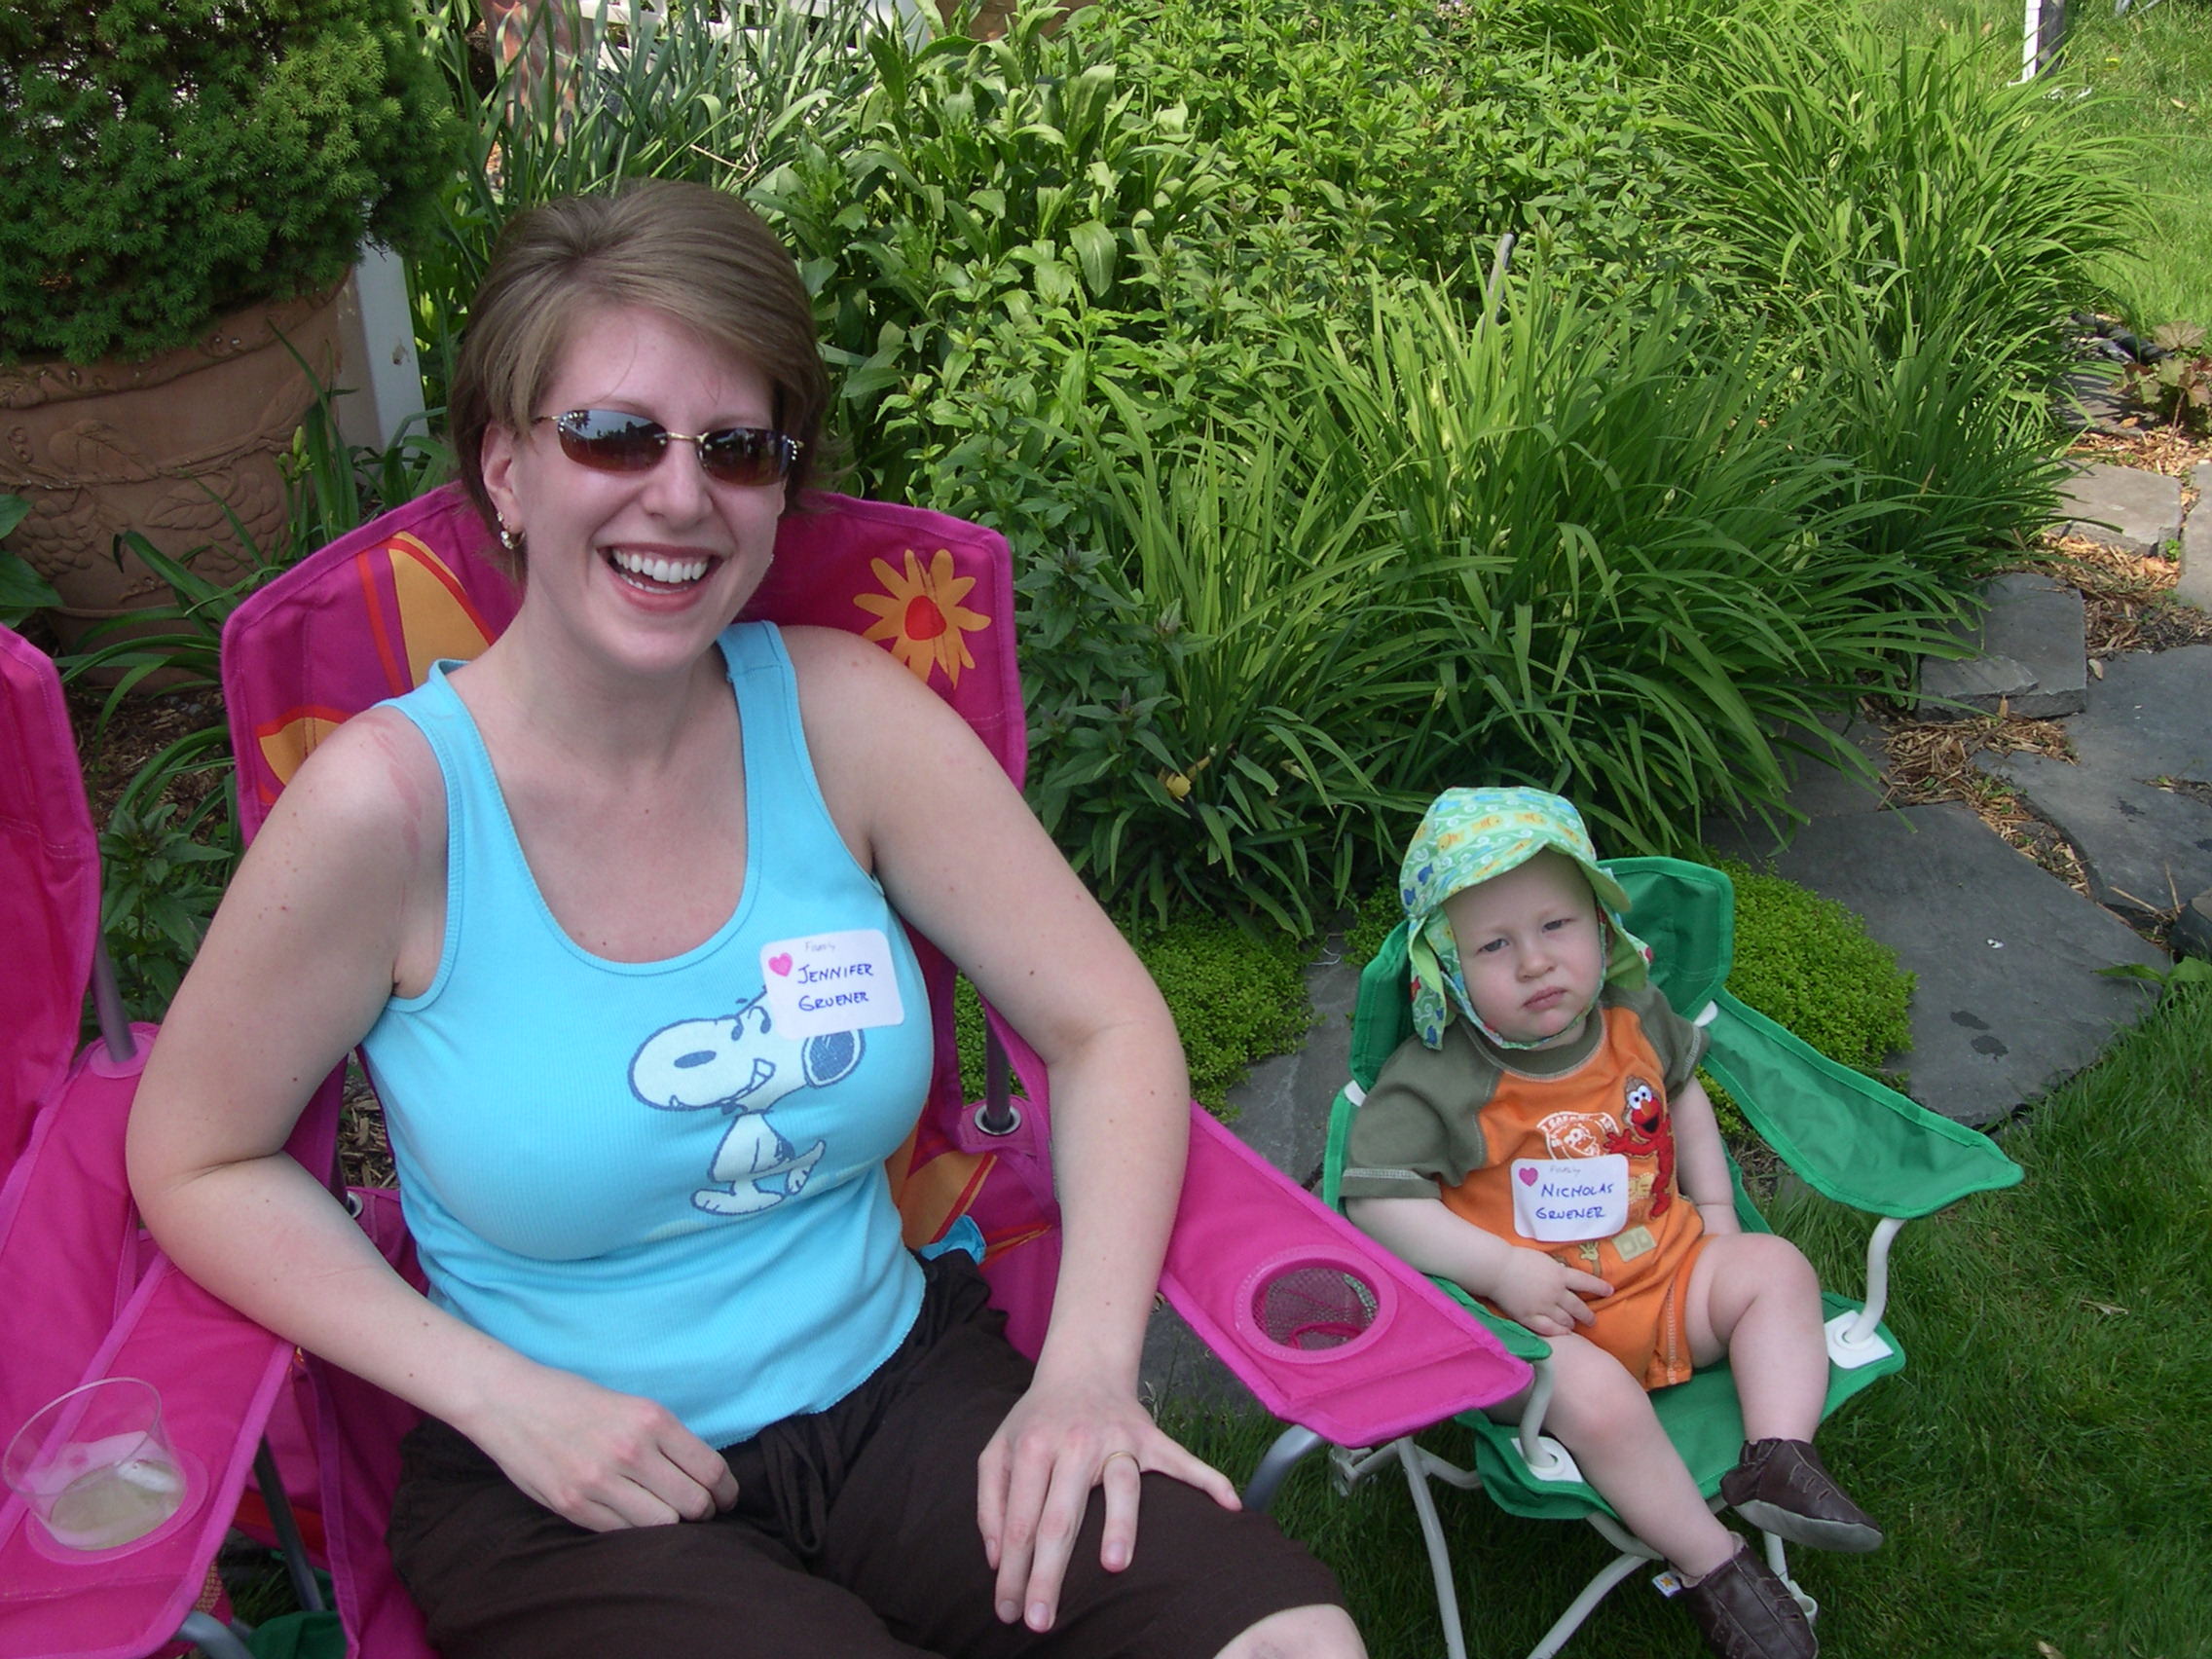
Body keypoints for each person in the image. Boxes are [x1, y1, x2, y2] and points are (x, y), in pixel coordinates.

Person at [127, 181, 1360, 1659]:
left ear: (779, 492)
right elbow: (193, 1154)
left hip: (900, 1397)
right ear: (506, 468)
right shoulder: (391, 815)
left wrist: (1090, 1374)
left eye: (738, 448)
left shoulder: (846, 723)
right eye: (615, 434)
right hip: (565, 1487)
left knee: (1290, 1639)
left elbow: (1105, 1024)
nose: (680, 494)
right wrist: (489, 1392)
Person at [1342, 788, 1881, 1659]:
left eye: (1556, 926)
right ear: (1442, 965)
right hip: (1544, 1327)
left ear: (1600, 926)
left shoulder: (1635, 1021)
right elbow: (1374, 1200)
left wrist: (1714, 1214)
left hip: (1669, 1282)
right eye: (1493, 945)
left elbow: (1683, 1097)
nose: (1534, 964)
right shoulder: (1438, 1076)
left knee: (1776, 1268)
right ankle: (1719, 1570)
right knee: (1594, 1399)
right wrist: (1500, 1272)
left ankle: (1778, 1454)